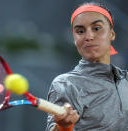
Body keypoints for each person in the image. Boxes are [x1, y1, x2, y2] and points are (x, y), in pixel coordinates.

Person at [46, 1, 128, 131]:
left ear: (111, 34)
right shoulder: (66, 84)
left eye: (96, 28)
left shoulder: (126, 80)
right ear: (74, 38)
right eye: (80, 31)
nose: (88, 37)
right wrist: (64, 127)